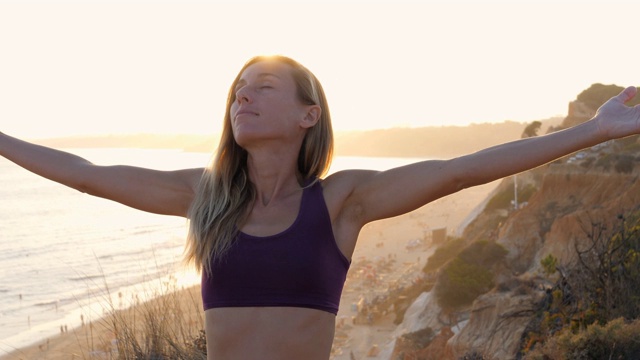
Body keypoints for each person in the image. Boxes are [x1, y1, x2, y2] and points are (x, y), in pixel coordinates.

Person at [1, 55, 639, 360]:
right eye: (236, 93)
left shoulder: (341, 202)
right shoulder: (204, 198)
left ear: (310, 115)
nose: (241, 99)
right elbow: (86, 174)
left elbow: (461, 168)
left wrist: (597, 129)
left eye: (263, 87)